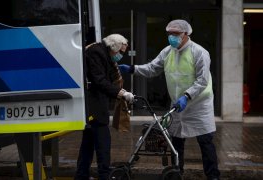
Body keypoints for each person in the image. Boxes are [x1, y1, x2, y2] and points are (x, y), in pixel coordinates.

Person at [119, 19, 220, 180]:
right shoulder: (167, 52)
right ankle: (176, 173)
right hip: (178, 104)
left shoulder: (199, 52)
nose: (172, 37)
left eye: (176, 34)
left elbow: (202, 80)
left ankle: (213, 176)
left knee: (206, 141)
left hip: (199, 105)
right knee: (176, 142)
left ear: (186, 34)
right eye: (170, 34)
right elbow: (152, 68)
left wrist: (187, 96)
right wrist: (132, 69)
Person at [74, 34, 134, 180]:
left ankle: (81, 175)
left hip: (94, 105)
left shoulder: (102, 53)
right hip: (95, 106)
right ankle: (104, 175)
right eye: (121, 52)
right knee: (103, 143)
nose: (121, 55)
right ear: (113, 47)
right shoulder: (97, 53)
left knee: (88, 143)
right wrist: (120, 93)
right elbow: (99, 80)